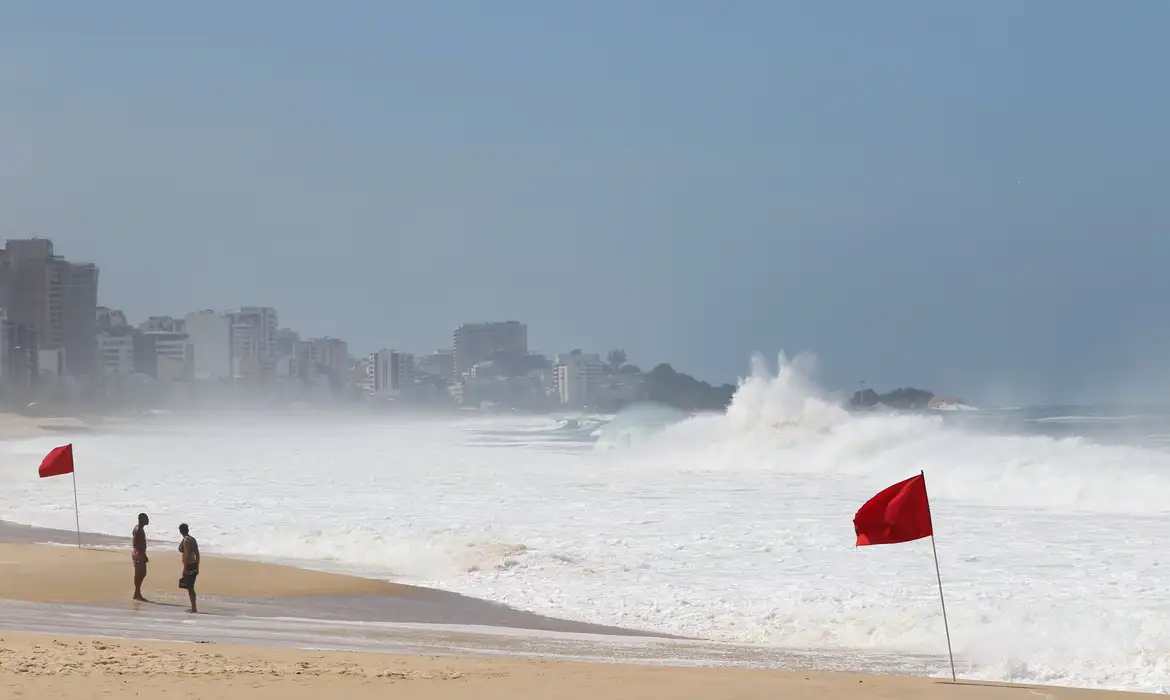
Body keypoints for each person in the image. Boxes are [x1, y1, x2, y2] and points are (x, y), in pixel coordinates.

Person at [177, 523, 200, 613]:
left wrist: (185, 568)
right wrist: (197, 565)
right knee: (190, 587)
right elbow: (197, 554)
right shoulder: (193, 539)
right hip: (194, 564)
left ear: (180, 531)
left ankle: (194, 608)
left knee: (190, 588)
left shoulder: (186, 540)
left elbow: (186, 554)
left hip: (189, 566)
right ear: (188, 530)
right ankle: (193, 607)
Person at [132, 513, 149, 601]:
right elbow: (138, 543)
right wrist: (142, 554)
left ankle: (137, 593)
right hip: (139, 553)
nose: (148, 520)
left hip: (137, 552)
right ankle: (137, 593)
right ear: (142, 520)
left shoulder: (137, 528)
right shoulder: (139, 530)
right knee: (140, 573)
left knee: (141, 573)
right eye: (146, 518)